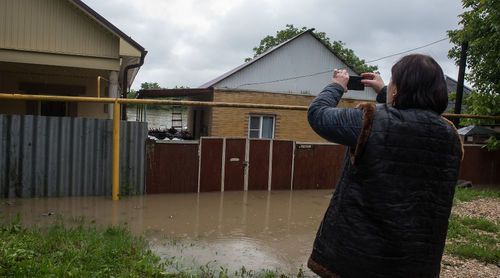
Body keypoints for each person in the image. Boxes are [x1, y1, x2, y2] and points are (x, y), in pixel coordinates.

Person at [307, 54, 463, 278]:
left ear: (398, 88)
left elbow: (318, 115)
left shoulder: (369, 120)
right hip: (417, 260)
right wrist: (383, 90)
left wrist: (336, 86)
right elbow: (408, 120)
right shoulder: (449, 134)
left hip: (360, 257)